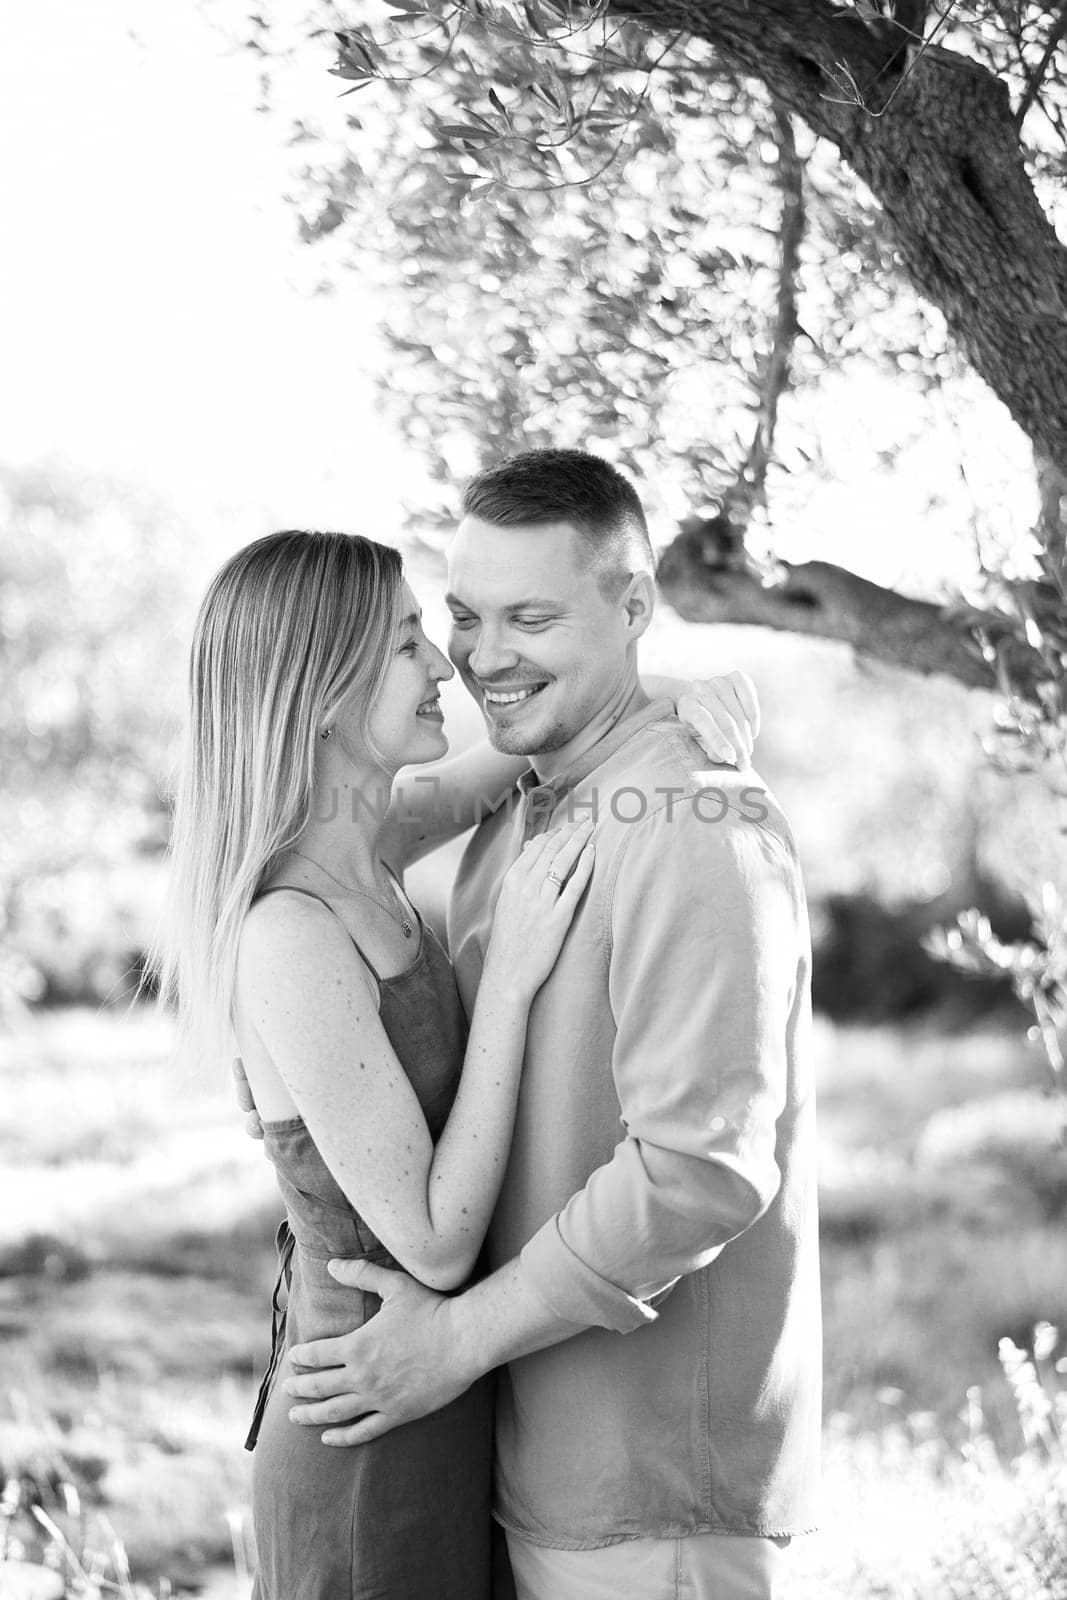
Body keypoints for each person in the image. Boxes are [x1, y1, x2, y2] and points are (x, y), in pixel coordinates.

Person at [156, 527, 757, 1599]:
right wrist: (512, 977)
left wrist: (673, 690)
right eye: (404, 643)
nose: (450, 664)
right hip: (370, 1420)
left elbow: (539, 738)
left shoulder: (364, 847)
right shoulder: (291, 929)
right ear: (320, 688)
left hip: (444, 1399)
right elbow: (431, 1244)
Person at [276, 450, 822, 1600]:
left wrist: (457, 1340)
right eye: (464, 617)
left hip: (650, 1491)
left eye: (530, 616)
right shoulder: (525, 801)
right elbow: (312, 815)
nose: (479, 657)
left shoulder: (692, 821)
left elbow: (697, 1173)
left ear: (634, 608)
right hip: (524, 1465)